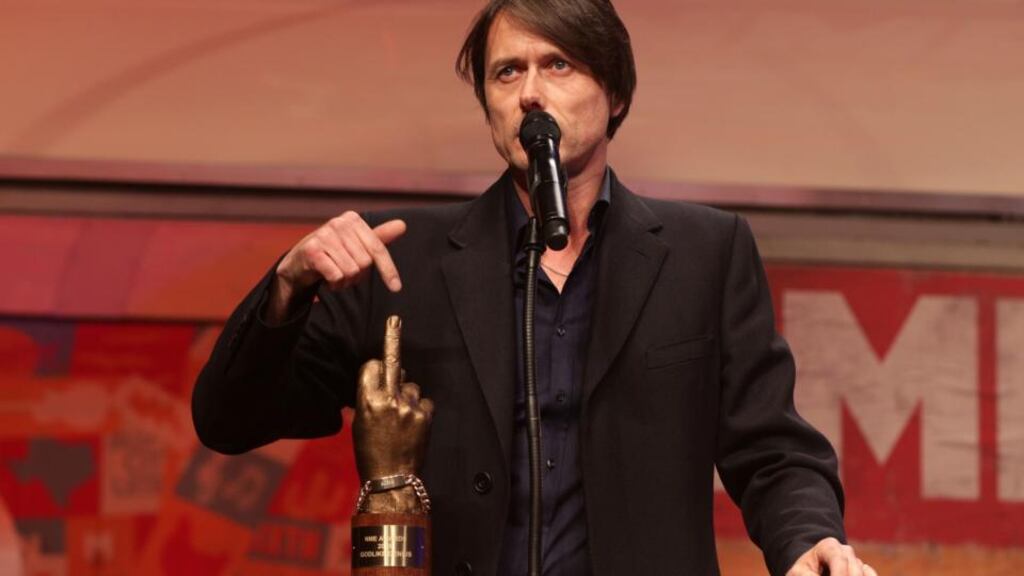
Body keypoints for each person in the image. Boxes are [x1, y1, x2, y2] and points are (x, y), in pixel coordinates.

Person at [192, 1, 877, 575]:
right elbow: (229, 419)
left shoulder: (705, 254)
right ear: (489, 107)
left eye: (558, 65)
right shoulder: (399, 259)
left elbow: (771, 447)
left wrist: (808, 539)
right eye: (507, 72)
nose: (529, 94)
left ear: (615, 94)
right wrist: (288, 286)